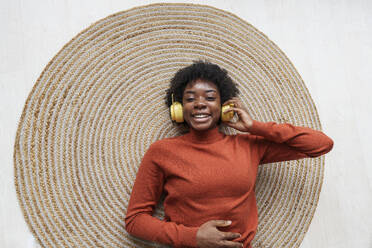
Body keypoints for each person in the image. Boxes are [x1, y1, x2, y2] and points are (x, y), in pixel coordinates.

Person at [124, 60, 334, 248]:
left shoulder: (249, 146)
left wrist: (255, 126)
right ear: (178, 108)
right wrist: (192, 237)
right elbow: (135, 220)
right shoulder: (161, 151)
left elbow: (320, 144)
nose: (199, 103)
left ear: (224, 107)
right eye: (190, 98)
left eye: (209, 97)